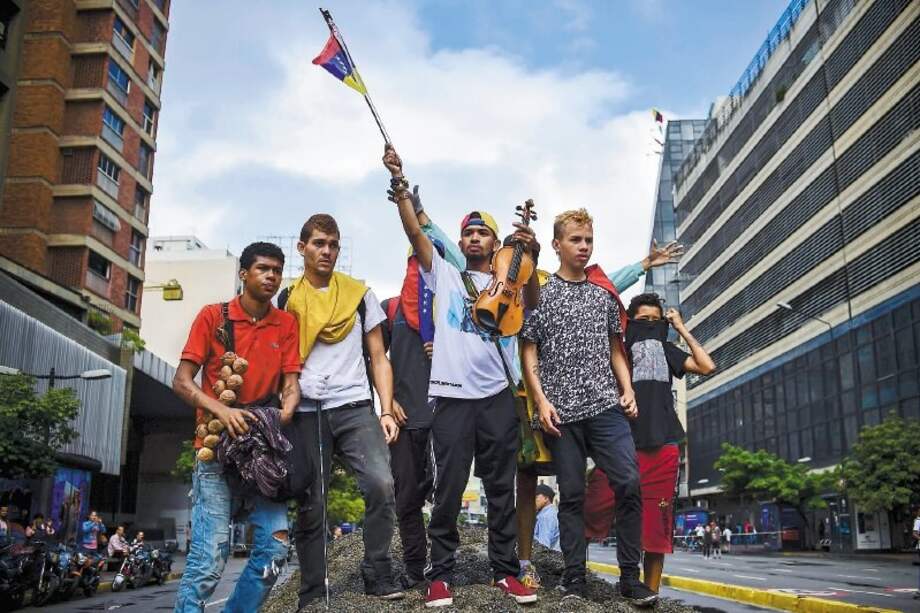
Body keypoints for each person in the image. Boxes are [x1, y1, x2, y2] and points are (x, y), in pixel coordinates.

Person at [385, 145, 540, 607]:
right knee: (449, 491)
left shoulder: (512, 286)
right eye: (468, 233)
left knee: (500, 490)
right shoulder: (446, 275)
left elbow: (532, 300)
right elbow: (416, 233)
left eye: (483, 233)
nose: (474, 238)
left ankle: (506, 573)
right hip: (452, 396)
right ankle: (441, 575)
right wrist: (400, 187)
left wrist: (528, 253)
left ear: (496, 244)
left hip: (497, 395)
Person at [517, 239, 684, 589]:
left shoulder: (601, 294)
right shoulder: (540, 297)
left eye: (588, 240)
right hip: (562, 413)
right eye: (575, 240)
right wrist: (541, 400)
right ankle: (574, 575)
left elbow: (615, 349)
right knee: (573, 494)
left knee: (629, 481)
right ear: (556, 244)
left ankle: (628, 577)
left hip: (606, 408)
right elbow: (529, 350)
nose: (584, 247)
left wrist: (627, 389)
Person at [172, 242, 302, 613]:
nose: (271, 276)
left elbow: (290, 382)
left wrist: (288, 407)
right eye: (263, 268)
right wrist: (220, 410)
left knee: (275, 547)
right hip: (215, 449)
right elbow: (181, 381)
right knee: (210, 559)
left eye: (277, 270)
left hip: (262, 452)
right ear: (244, 274)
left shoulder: (286, 323)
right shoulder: (213, 317)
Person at [282, 214, 404, 606]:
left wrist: (385, 409)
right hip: (305, 411)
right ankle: (313, 590)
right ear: (302, 249)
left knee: (382, 485)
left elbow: (378, 357)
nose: (327, 251)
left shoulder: (358, 295)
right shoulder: (287, 299)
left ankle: (378, 570)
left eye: (333, 244)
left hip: (354, 406)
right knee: (311, 501)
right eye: (319, 243)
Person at [582, 290, 716, 592]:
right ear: (629, 321)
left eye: (656, 321)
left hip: (664, 446)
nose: (651, 325)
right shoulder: (615, 350)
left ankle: (649, 595)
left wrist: (680, 327)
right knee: (592, 509)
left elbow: (707, 366)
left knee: (657, 528)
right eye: (644, 320)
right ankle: (575, 579)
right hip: (620, 443)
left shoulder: (667, 350)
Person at [533, 484, 560, 551]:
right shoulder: (553, 512)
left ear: (546, 498)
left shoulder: (545, 517)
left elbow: (543, 547)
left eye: (536, 497)